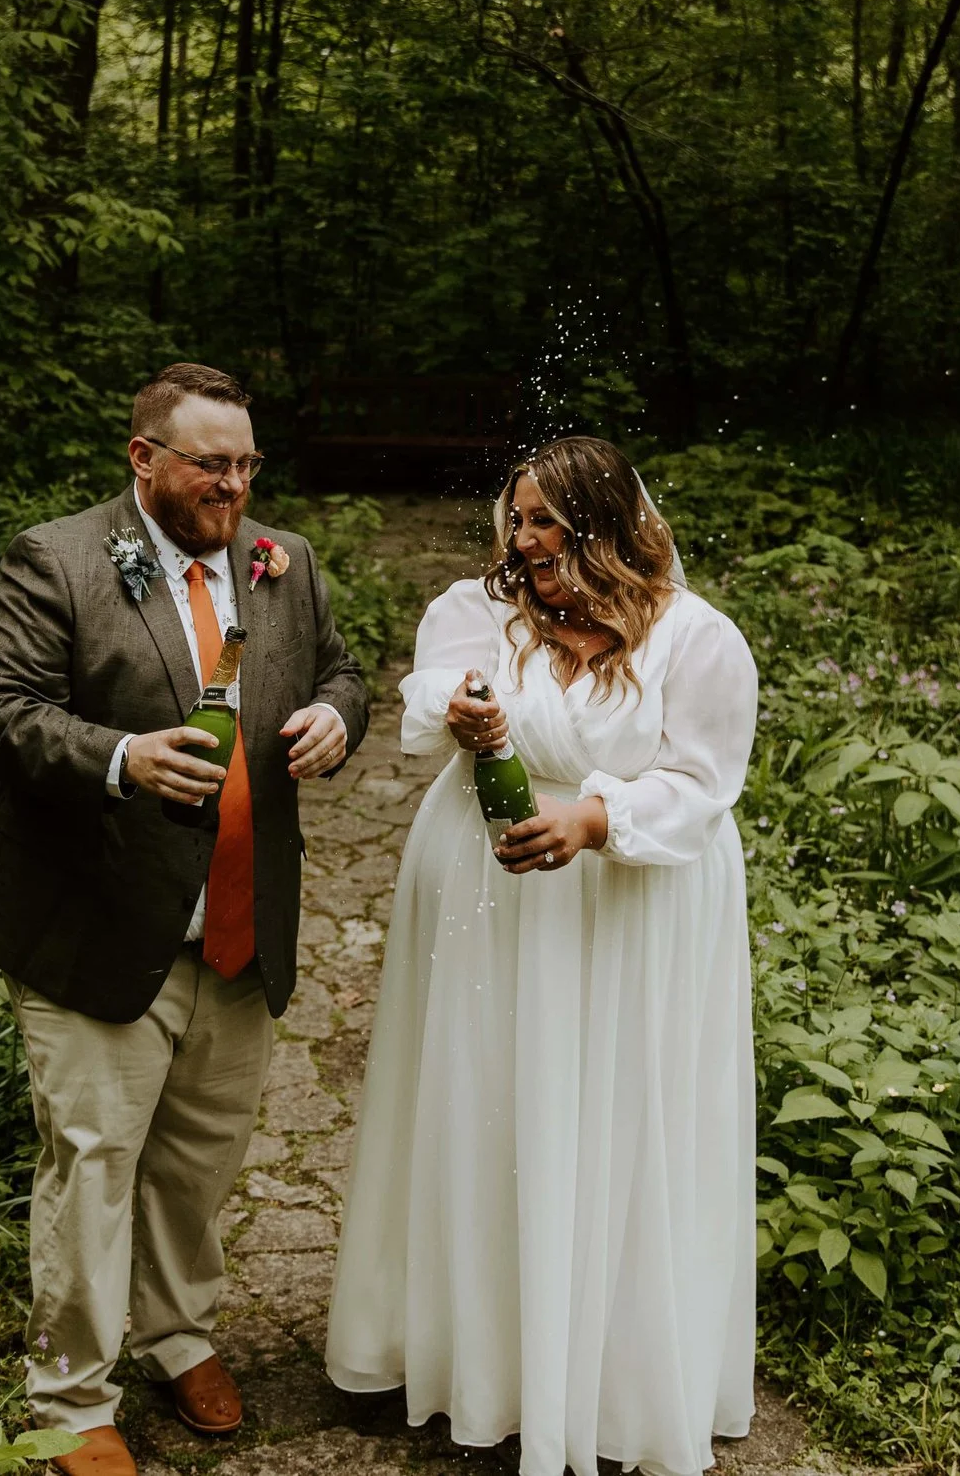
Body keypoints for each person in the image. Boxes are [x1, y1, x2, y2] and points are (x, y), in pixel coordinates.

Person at [0, 363, 369, 1476]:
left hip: (237, 921)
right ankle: (73, 1392)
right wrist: (120, 757)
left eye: (245, 463)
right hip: (96, 917)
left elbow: (339, 670)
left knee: (200, 1160)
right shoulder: (59, 559)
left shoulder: (284, 562)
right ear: (144, 458)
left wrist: (335, 715)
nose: (232, 485)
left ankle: (179, 1334)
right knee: (91, 1156)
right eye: (208, 463)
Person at [325, 435, 760, 1476]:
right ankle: (478, 1357)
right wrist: (465, 709)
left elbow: (703, 781)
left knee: (615, 1112)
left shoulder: (696, 639)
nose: (523, 540)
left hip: (630, 907)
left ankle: (608, 1380)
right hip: (484, 893)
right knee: (485, 1106)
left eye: (545, 521)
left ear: (604, 522)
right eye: (515, 520)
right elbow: (428, 698)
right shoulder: (483, 610)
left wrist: (595, 818)